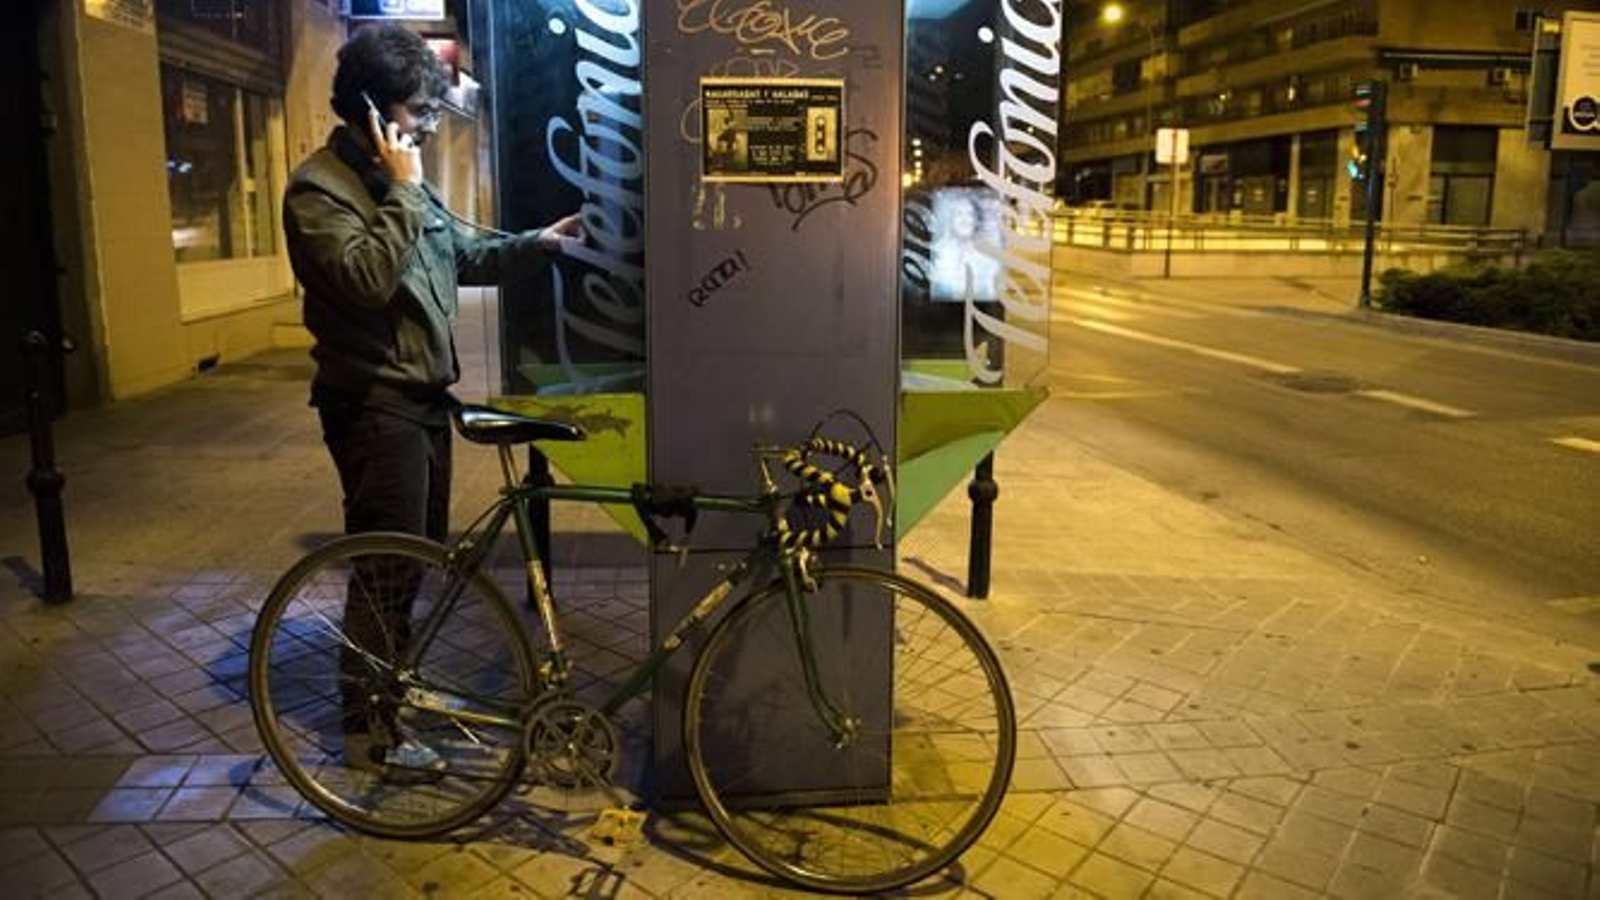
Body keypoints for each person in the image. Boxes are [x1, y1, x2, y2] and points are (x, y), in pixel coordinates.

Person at [281, 23, 581, 778]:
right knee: (385, 565)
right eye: (417, 110)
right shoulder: (320, 190)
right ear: (372, 110)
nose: (423, 126)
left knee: (414, 564)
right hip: (373, 405)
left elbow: (460, 255)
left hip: (422, 400)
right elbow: (364, 280)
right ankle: (367, 736)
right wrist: (406, 191)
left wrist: (536, 243)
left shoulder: (399, 181)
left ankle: (390, 697)